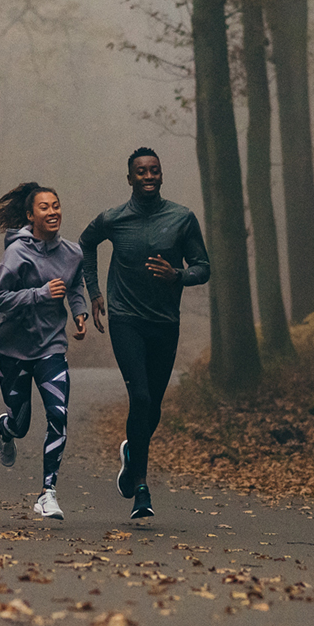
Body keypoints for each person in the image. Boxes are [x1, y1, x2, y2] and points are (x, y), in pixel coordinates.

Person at [78, 147, 209, 519]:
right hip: (126, 319)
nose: (148, 176)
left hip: (165, 323)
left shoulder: (182, 218)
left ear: (162, 176)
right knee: (140, 395)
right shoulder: (114, 219)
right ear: (130, 178)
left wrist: (178, 275)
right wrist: (95, 293)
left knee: (153, 406)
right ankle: (140, 487)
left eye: (154, 171)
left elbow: (204, 266)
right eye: (141, 171)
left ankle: (132, 452)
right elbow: (85, 244)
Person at [0, 182, 88, 521]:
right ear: (31, 215)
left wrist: (80, 311)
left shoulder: (72, 253)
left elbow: (74, 285)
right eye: (45, 207)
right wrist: (39, 294)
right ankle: (8, 427)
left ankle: (48, 492)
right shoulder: (16, 254)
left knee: (58, 414)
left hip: (51, 347)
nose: (53, 211)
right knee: (22, 421)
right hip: (13, 348)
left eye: (56, 205)